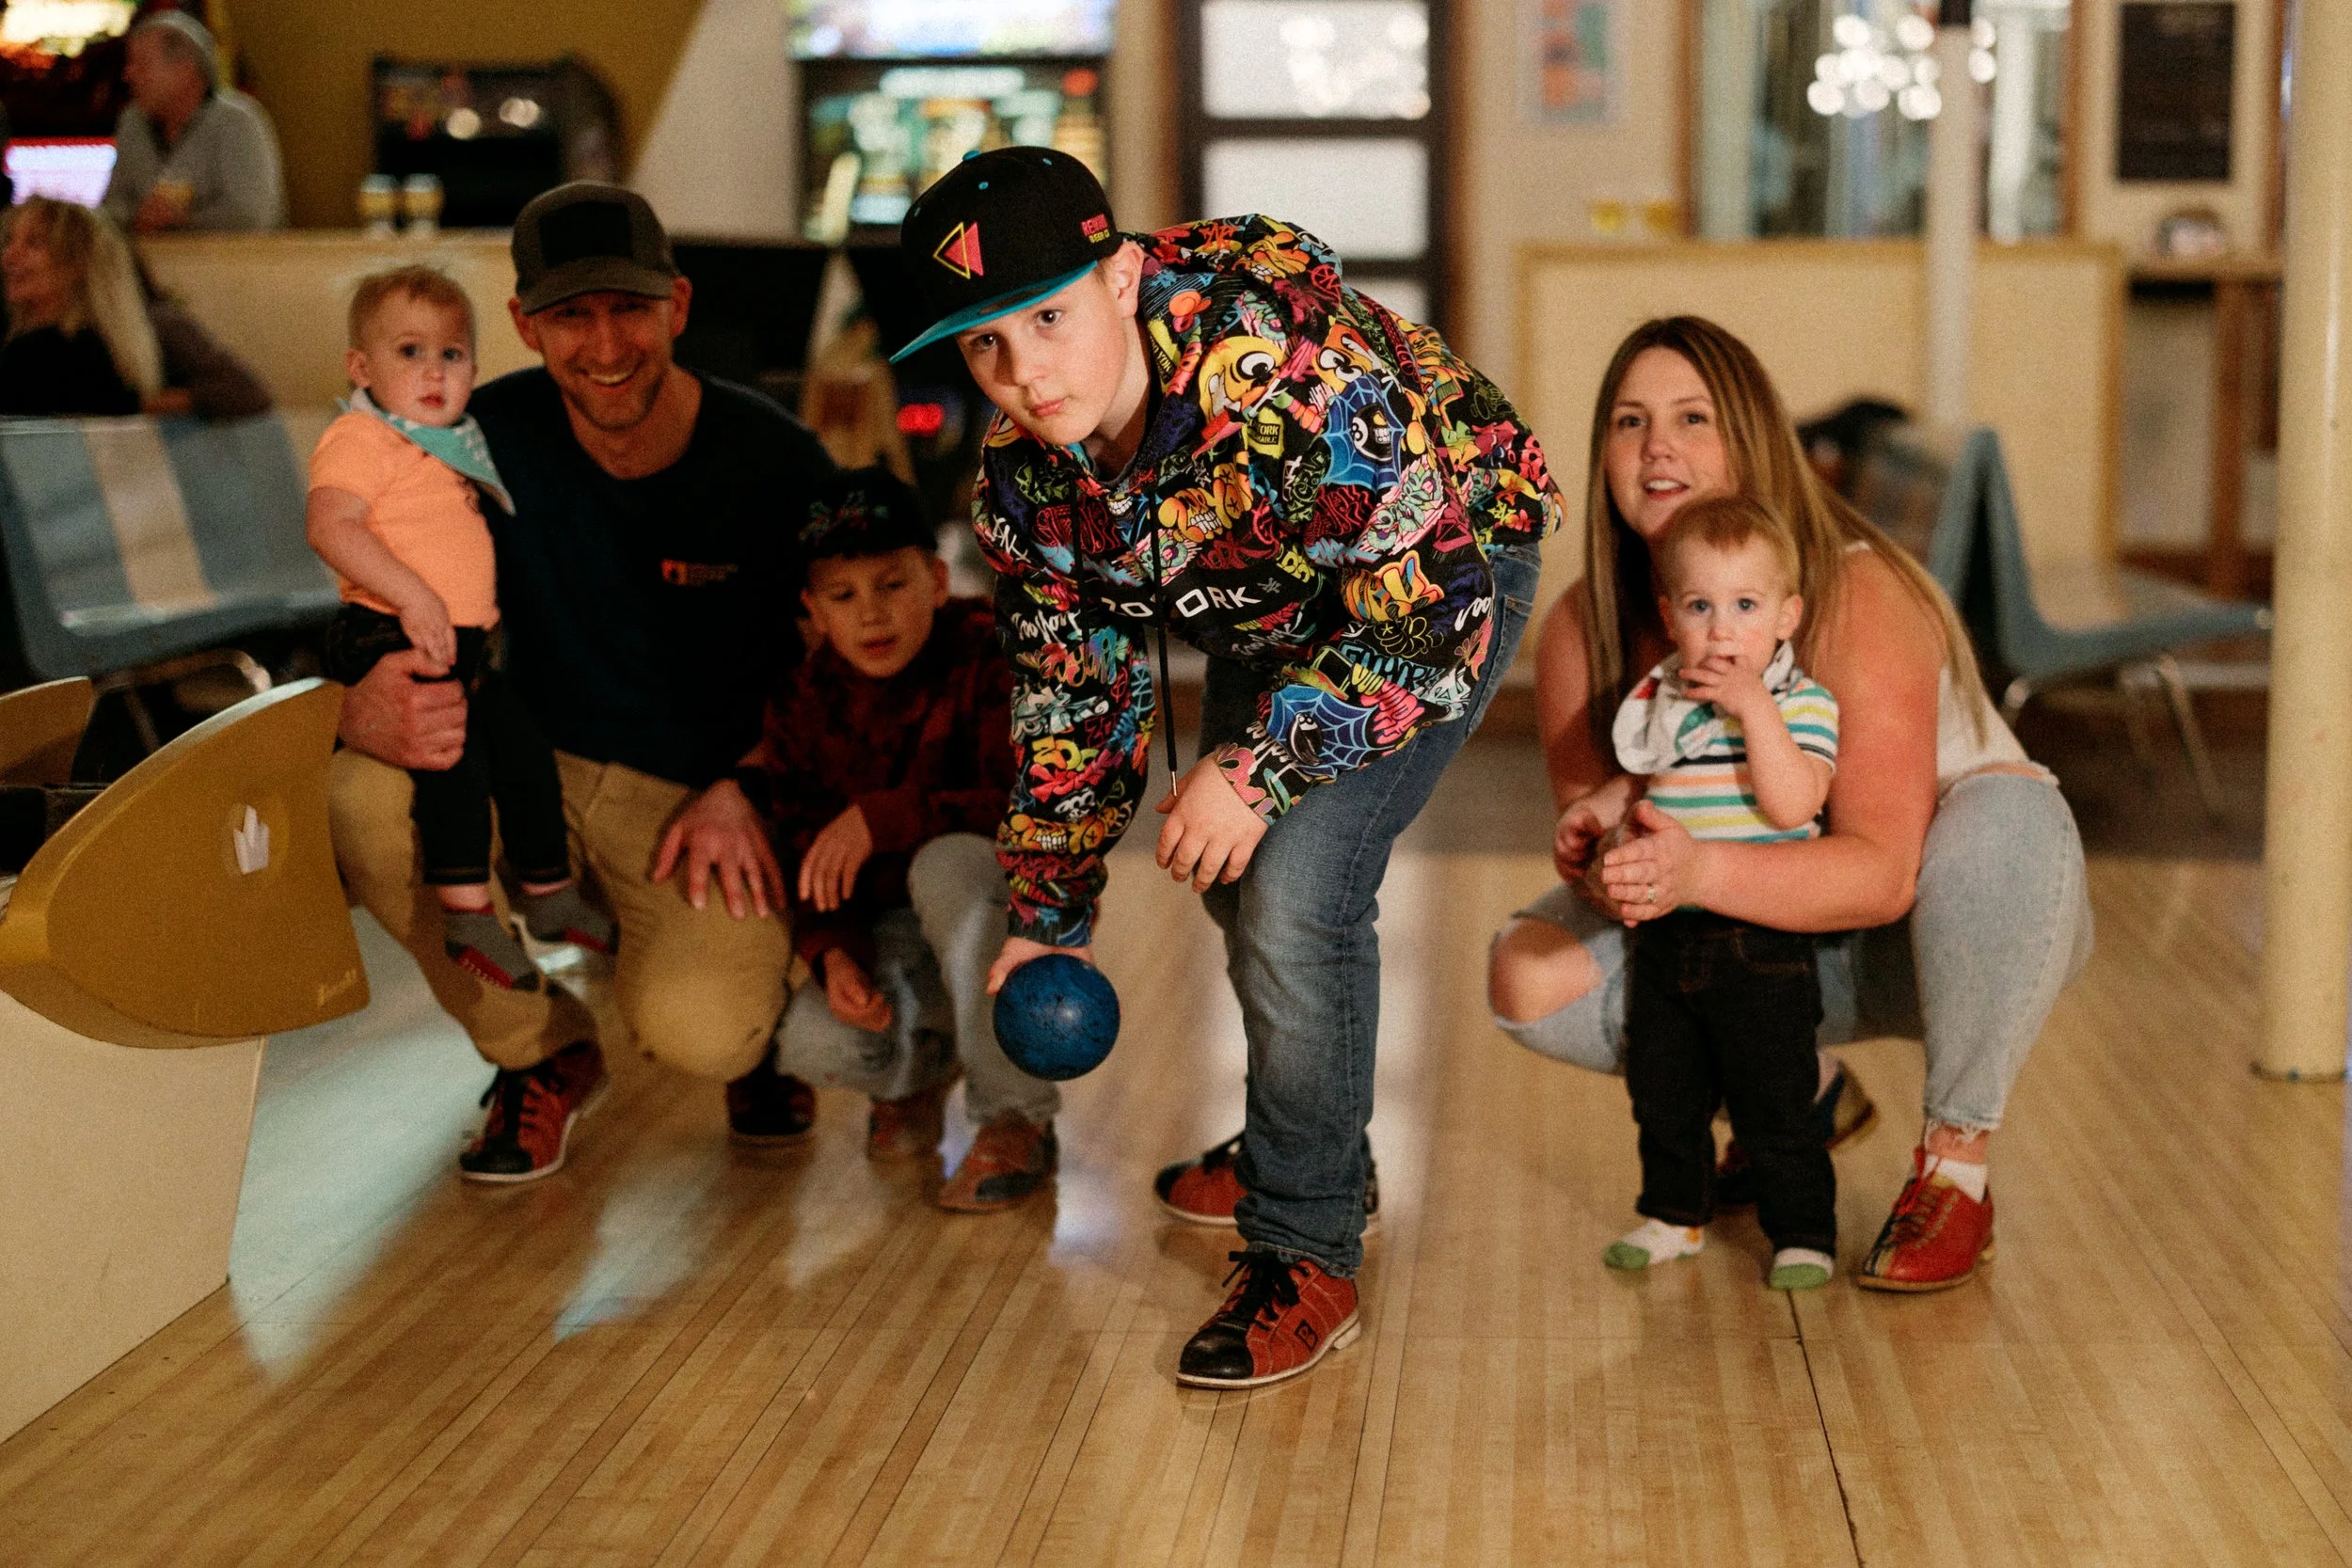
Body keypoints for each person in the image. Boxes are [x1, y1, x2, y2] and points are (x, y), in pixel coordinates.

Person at [897, 148, 1564, 1387]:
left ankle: (1304, 1238)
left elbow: (1431, 615)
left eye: (1047, 317)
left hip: (1443, 563)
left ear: (1122, 276)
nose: (1024, 371)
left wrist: (1257, 766)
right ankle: (1313, 1143)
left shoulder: (1295, 393)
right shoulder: (1027, 489)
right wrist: (1048, 920)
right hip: (1277, 589)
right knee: (1228, 874)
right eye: (984, 345)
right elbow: (1072, 701)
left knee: (1297, 892)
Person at [1486, 315, 2092, 1292]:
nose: (1657, 448)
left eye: (1693, 417)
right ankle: (1793, 1089)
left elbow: (1883, 869)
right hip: (1747, 949)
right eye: (1629, 421)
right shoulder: (1582, 627)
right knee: (1524, 971)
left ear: (1752, 439)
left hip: (1958, 927)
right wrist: (1608, 854)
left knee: (2003, 815)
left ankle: (1954, 1166)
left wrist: (1696, 868)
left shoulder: (1854, 589)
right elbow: (1605, 856)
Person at [329, 182, 834, 1182]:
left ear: (677, 306)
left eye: (628, 309)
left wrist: (758, 779)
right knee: (362, 795)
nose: (605, 345)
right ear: (524, 324)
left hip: (704, 800)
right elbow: (366, 583)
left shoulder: (777, 457)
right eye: (570, 316)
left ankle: (764, 1008)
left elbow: (870, 658)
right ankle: (538, 1047)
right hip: (533, 763)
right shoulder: (469, 440)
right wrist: (359, 693)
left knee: (703, 1030)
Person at [757, 466, 1065, 1211]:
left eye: (891, 584)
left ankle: (1014, 1117)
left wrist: (886, 815)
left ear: (935, 578)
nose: (871, 614)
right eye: (843, 595)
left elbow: (1027, 804)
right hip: (893, 933)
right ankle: (919, 1080)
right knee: (811, 1039)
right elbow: (802, 846)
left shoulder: (989, 653)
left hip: (994, 914)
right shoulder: (802, 699)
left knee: (946, 866)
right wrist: (833, 952)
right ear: (813, 611)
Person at [309, 264, 614, 999]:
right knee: (455, 766)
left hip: (468, 645)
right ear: (361, 367)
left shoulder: (453, 443)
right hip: (390, 629)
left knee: (522, 751)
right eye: (409, 352)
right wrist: (412, 596)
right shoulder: (362, 436)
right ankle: (469, 911)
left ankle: (547, 890)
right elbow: (330, 525)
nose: (434, 370)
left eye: (452, 353)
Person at [1583, 494, 1841, 1291]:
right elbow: (1644, 786)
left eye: (1744, 605)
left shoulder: (1800, 703)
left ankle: (1802, 1230)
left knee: (1775, 1099)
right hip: (1666, 934)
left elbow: (1796, 803)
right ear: (1670, 616)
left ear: (1787, 617)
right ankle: (1673, 1212)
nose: (1722, 629)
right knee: (1663, 1089)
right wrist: (1601, 811)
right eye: (1701, 606)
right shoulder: (1666, 701)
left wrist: (1755, 706)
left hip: (1761, 938)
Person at [101, 11, 286, 234]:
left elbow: (252, 216)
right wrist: (137, 217)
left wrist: (182, 221)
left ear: (186, 69)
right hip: (148, 263)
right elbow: (110, 207)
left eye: (142, 64)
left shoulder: (237, 122)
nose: (128, 74)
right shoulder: (132, 123)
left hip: (232, 265)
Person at [0, 197, 153, 417]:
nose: (9, 257)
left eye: (33, 243)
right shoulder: (112, 353)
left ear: (76, 264)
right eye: (9, 242)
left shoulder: (42, 358)